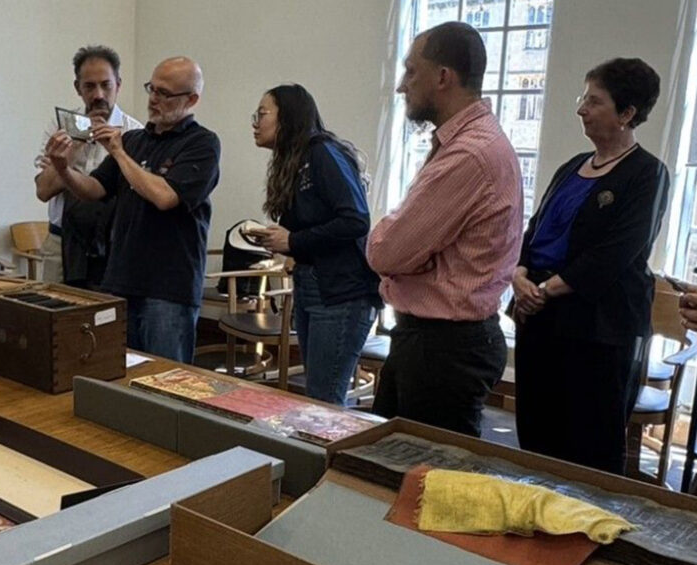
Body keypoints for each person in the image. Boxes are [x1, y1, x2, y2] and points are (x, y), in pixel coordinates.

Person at [366, 22, 522, 437]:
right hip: (436, 342)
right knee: (391, 461)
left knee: (424, 471)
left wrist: (399, 243)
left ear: (442, 77)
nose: (401, 85)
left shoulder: (470, 154)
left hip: (443, 349)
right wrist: (412, 249)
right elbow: (405, 245)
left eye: (411, 71)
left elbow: (385, 251)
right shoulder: (466, 143)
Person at [513, 58, 668, 474]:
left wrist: (542, 291)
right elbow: (535, 230)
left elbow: (615, 254)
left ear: (627, 113)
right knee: (536, 440)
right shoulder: (571, 166)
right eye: (583, 98)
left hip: (599, 331)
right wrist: (519, 275)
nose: (581, 109)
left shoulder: (648, 174)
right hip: (540, 318)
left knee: (588, 451)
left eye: (594, 101)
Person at [45, 57, 220, 362]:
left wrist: (118, 153)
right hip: (121, 280)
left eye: (165, 93)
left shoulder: (202, 143)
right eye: (152, 89)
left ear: (191, 100)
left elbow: (164, 197)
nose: (154, 99)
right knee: (117, 371)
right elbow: (93, 190)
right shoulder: (135, 140)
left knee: (164, 379)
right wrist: (63, 169)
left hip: (168, 289)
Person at [250, 84, 381, 405]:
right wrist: (282, 241)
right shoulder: (296, 161)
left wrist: (293, 240)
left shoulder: (323, 153)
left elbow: (356, 220)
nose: (255, 122)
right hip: (313, 285)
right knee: (318, 397)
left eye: (262, 114)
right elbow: (313, 227)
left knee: (325, 400)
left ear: (288, 117)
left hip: (341, 292)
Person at [34, 45, 142, 287]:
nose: (98, 95)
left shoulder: (135, 132)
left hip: (114, 247)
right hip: (61, 242)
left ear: (118, 85)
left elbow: (133, 191)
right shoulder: (61, 126)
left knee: (109, 310)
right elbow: (44, 190)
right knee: (55, 308)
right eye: (90, 86)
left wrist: (115, 150)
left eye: (106, 85)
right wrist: (78, 139)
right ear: (78, 88)